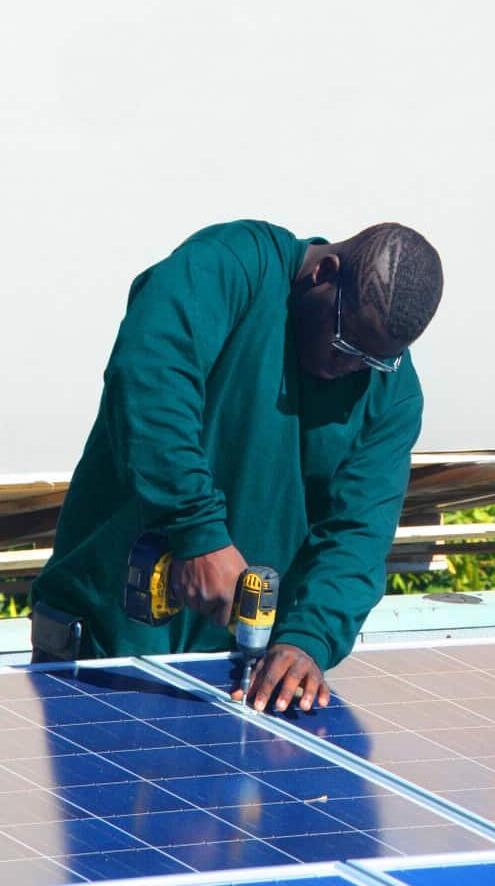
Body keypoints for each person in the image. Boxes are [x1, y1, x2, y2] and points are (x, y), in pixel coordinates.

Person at [31, 219, 443, 712]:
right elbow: (149, 381)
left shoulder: (390, 392)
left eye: (377, 361)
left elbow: (358, 535)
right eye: (347, 343)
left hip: (234, 681)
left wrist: (308, 637)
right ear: (323, 274)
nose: (354, 367)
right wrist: (196, 530)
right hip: (100, 652)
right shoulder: (228, 266)